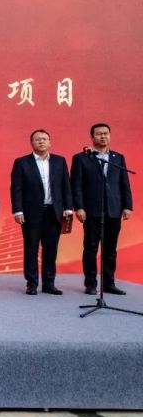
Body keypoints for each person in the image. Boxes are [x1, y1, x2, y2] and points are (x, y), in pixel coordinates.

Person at [71, 123, 133, 296]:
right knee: (91, 248)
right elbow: (76, 184)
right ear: (92, 137)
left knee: (110, 250)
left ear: (110, 136)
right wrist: (79, 207)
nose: (103, 136)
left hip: (113, 209)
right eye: (99, 134)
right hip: (92, 210)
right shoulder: (81, 158)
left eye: (106, 133)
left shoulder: (118, 157)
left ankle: (109, 284)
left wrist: (127, 206)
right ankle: (90, 284)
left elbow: (124, 184)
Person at [10, 129, 73, 295]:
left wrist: (68, 208)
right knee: (31, 248)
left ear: (50, 142)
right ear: (32, 143)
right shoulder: (22, 162)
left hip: (54, 212)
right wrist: (18, 210)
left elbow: (66, 186)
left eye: (45, 139)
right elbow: (16, 188)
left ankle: (49, 284)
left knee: (51, 249)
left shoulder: (59, 161)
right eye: (37, 139)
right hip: (31, 213)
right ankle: (31, 283)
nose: (41, 141)